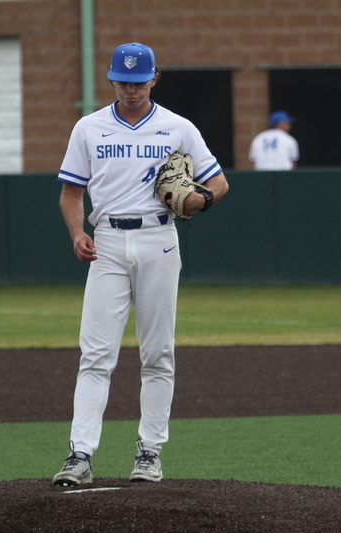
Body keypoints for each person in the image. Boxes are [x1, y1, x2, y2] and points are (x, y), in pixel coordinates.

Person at [53, 43, 229, 486]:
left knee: (158, 353)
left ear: (154, 78)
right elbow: (71, 192)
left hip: (159, 238)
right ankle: (79, 455)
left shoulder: (178, 127)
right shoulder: (89, 127)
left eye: (138, 82)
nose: (130, 89)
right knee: (96, 354)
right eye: (122, 82)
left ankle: (150, 452)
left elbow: (219, 181)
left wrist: (202, 200)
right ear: (112, 81)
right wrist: (77, 233)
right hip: (108, 241)